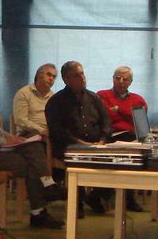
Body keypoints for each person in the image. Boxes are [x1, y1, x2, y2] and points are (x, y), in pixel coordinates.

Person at [0, 64, 64, 229]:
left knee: (32, 145)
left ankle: (45, 194)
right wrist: (3, 141)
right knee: (31, 164)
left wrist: (12, 138)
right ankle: (40, 207)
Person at [45, 61, 128, 214]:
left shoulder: (93, 97)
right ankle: (77, 201)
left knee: (119, 160)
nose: (82, 78)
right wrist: (79, 142)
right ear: (66, 79)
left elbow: (106, 121)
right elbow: (57, 131)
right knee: (78, 157)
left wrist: (102, 140)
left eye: (82, 74)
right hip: (70, 146)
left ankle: (95, 196)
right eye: (77, 75)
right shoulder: (56, 102)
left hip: (97, 144)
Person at [96, 66, 147, 140]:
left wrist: (118, 109)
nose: (121, 81)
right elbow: (103, 118)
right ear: (113, 78)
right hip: (109, 138)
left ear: (130, 82)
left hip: (133, 139)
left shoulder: (138, 100)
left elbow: (142, 128)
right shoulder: (102, 95)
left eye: (125, 79)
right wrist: (130, 115)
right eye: (118, 78)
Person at [12, 63, 56, 136]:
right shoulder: (23, 93)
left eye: (54, 77)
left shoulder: (54, 97)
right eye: (49, 75)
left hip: (49, 134)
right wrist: (42, 131)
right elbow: (20, 120)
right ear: (39, 75)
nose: (51, 79)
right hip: (28, 134)